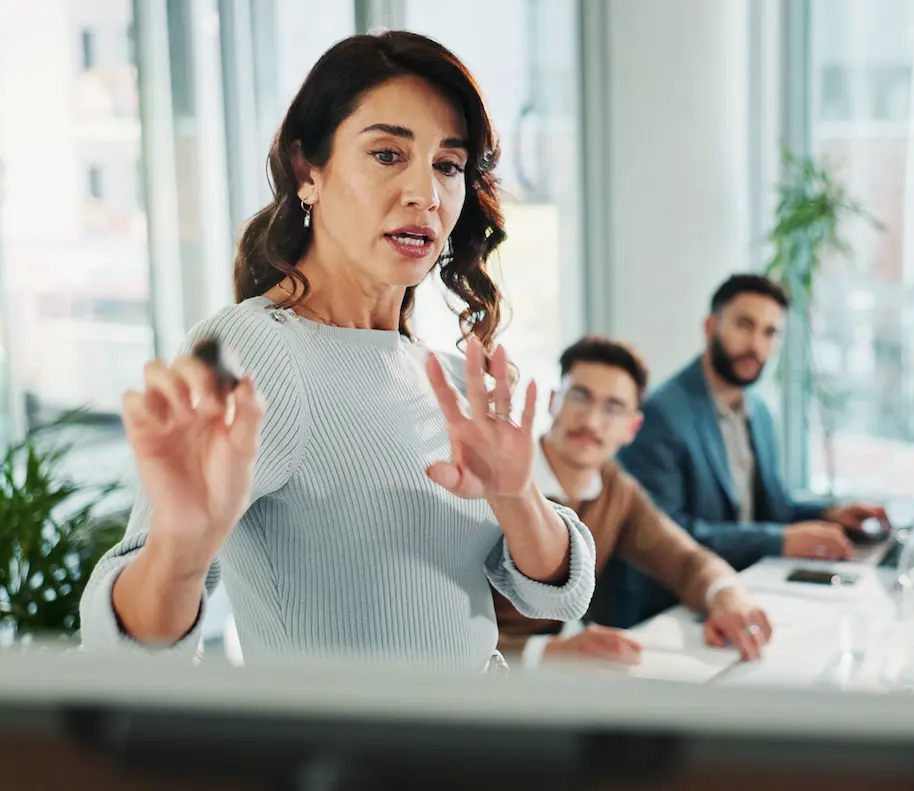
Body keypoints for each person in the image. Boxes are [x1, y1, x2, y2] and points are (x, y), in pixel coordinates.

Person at [77, 32, 596, 672]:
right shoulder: (255, 349)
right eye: (387, 154)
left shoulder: (432, 371)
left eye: (448, 165)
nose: (426, 194)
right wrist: (180, 551)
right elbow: (123, 649)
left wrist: (517, 495)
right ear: (307, 171)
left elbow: (561, 591)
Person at [613, 274, 886, 625]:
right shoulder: (661, 415)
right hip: (672, 608)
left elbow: (772, 508)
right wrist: (780, 540)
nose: (756, 345)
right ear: (711, 326)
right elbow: (667, 533)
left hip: (748, 587)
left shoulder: (758, 413)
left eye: (770, 333)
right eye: (745, 325)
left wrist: (830, 514)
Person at [494, 336, 773, 667]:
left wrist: (727, 595)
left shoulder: (616, 488)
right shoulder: (495, 479)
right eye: (579, 396)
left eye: (613, 407)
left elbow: (685, 559)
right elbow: (439, 624)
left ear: (632, 427)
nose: (592, 421)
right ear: (554, 400)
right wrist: (544, 653)